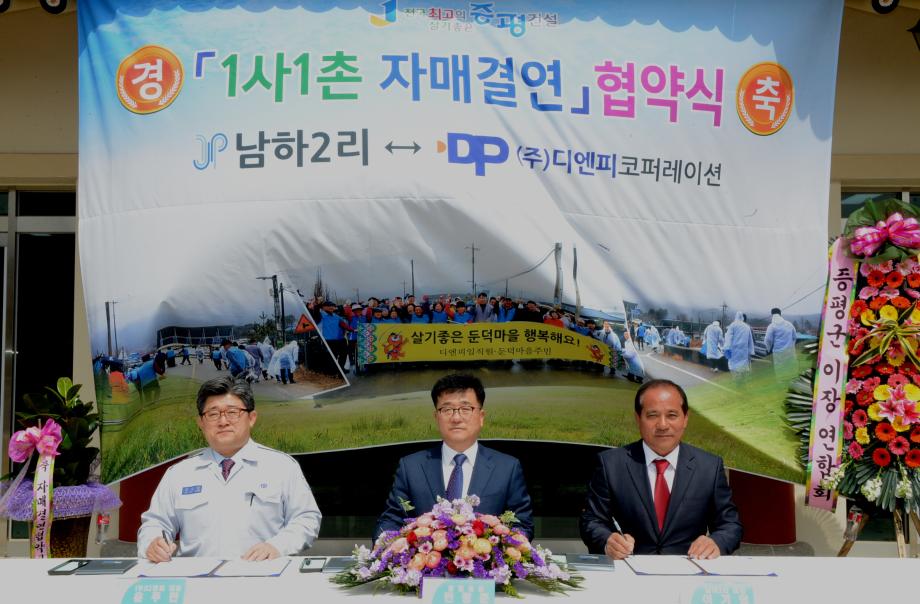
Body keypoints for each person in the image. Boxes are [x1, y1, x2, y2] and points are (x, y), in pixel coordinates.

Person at [138, 377, 322, 561]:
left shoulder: (281, 466)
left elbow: (306, 519)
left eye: (232, 412)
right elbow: (155, 523)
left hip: (263, 573)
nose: (223, 421)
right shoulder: (180, 473)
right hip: (197, 576)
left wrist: (277, 546)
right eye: (213, 414)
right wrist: (152, 543)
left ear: (251, 418)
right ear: (201, 423)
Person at [579, 379, 742, 559]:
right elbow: (592, 521)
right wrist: (607, 541)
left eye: (672, 415)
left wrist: (716, 542)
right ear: (638, 419)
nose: (663, 425)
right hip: (630, 568)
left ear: (685, 418)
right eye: (652, 415)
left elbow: (730, 525)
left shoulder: (709, 467)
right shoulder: (610, 464)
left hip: (690, 568)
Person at [374, 373, 534, 540]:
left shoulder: (507, 468)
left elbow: (522, 524)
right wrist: (383, 544)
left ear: (481, 417)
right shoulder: (411, 467)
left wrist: (503, 546)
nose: (456, 418)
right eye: (447, 409)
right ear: (436, 417)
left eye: (466, 409)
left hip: (486, 556)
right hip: (424, 556)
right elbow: (391, 520)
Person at [764, 307, 798, 380]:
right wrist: (791, 346)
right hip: (790, 352)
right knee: (790, 369)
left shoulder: (771, 326)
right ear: (780, 314)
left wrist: (768, 349)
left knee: (780, 371)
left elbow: (768, 340)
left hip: (778, 353)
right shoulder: (789, 324)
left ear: (772, 315)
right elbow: (795, 337)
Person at [723, 311, 755, 377]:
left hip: (734, 351)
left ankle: (737, 380)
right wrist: (751, 351)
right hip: (744, 352)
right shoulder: (747, 327)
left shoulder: (732, 325)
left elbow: (728, 339)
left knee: (734, 369)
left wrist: (726, 350)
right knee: (743, 369)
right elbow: (750, 341)